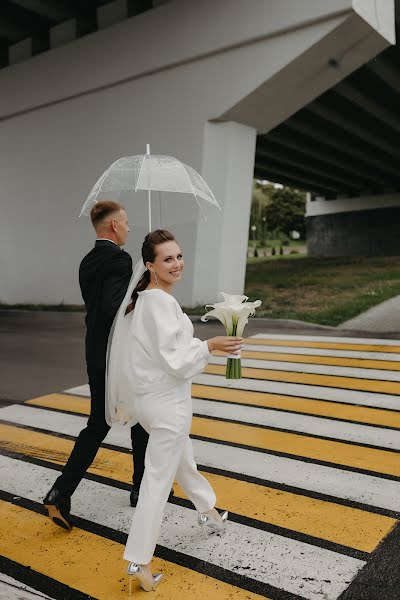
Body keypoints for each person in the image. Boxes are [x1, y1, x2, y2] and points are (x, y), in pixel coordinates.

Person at [107, 229, 244, 593]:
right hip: (168, 404)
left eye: (179, 256)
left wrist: (203, 345)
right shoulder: (159, 303)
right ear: (150, 265)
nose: (177, 263)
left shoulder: (150, 300)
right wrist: (210, 346)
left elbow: (162, 353)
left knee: (184, 458)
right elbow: (175, 361)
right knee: (156, 481)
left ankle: (209, 513)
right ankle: (139, 559)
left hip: (154, 403)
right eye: (167, 259)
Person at [43, 200, 150, 530]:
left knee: (99, 423)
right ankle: (141, 488)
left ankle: (60, 492)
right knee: (140, 418)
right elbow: (112, 310)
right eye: (127, 223)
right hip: (116, 355)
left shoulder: (87, 260)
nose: (129, 228)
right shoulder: (120, 259)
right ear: (115, 226)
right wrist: (143, 290)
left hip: (94, 353)